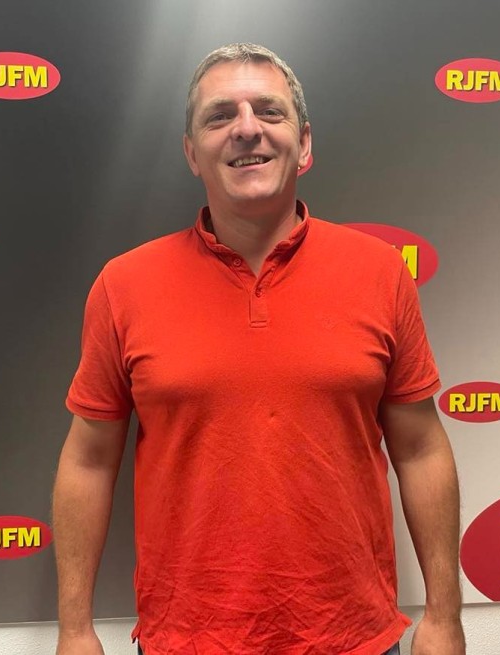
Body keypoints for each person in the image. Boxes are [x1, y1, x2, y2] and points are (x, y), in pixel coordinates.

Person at [52, 43, 465, 655]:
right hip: (187, 643)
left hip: (353, 639)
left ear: (305, 143)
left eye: (268, 111)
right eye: (220, 116)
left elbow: (421, 448)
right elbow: (88, 461)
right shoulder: (124, 285)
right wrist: (74, 630)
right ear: (192, 153)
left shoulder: (380, 272)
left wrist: (444, 616)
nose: (247, 128)